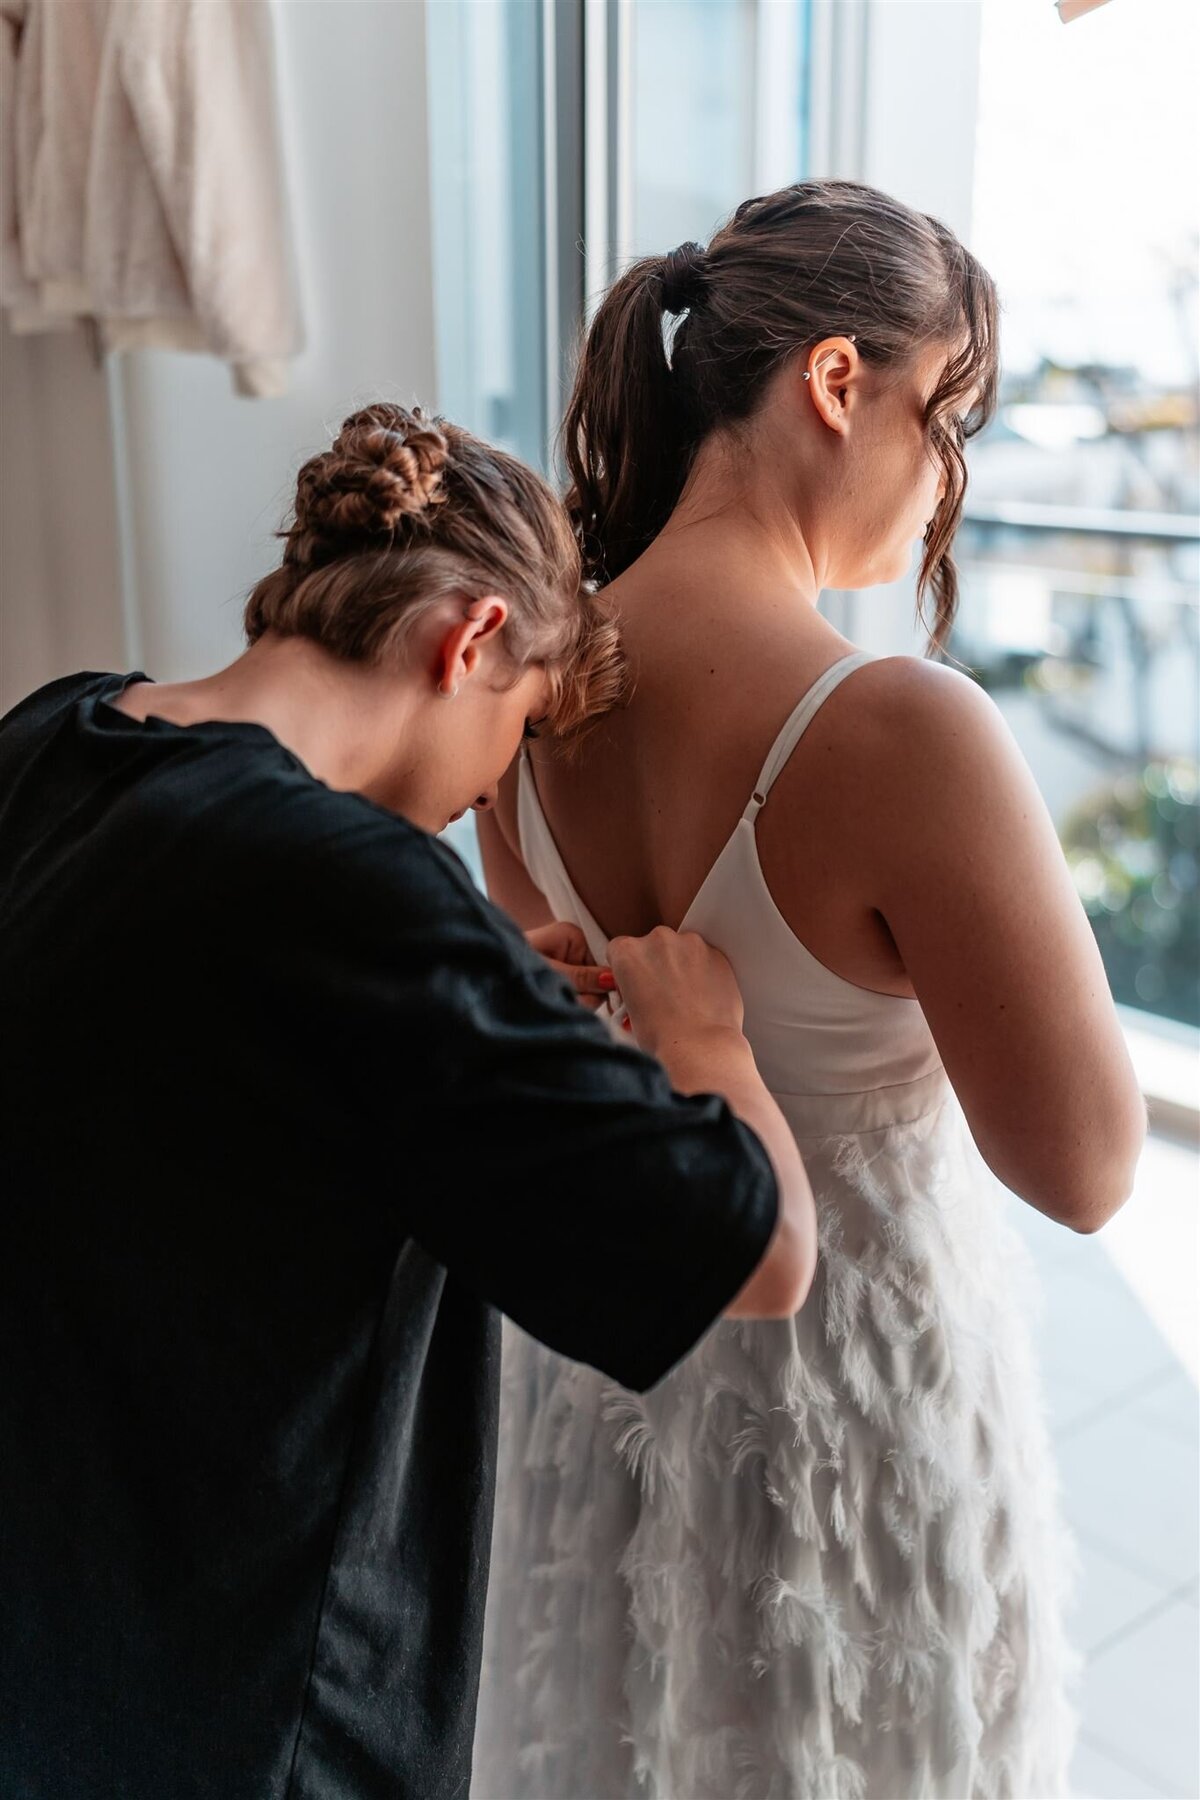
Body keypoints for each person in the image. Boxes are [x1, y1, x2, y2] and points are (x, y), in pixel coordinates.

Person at [0, 404, 819, 1800]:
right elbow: (761, 1250)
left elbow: (212, 1043)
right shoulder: (355, 892)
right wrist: (707, 1038)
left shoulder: (56, 737)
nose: (486, 795)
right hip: (246, 1704)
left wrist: (479, 995)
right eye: (511, 739)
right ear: (468, 640)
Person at [471, 180, 1148, 1798]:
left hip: (605, 1383)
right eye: (952, 417)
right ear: (838, 385)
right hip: (846, 1432)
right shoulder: (909, 734)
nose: (949, 483)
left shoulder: (529, 688)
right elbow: (1088, 1166)